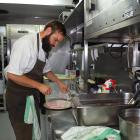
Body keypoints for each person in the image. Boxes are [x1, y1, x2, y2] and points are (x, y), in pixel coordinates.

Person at [5, 20, 68, 140]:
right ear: (48, 31)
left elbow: (46, 70)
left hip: (31, 97)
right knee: (24, 135)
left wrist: (59, 82)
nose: (55, 45)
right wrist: (39, 86)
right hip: (18, 100)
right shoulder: (26, 43)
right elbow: (12, 74)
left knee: (33, 132)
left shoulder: (43, 49)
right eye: (55, 40)